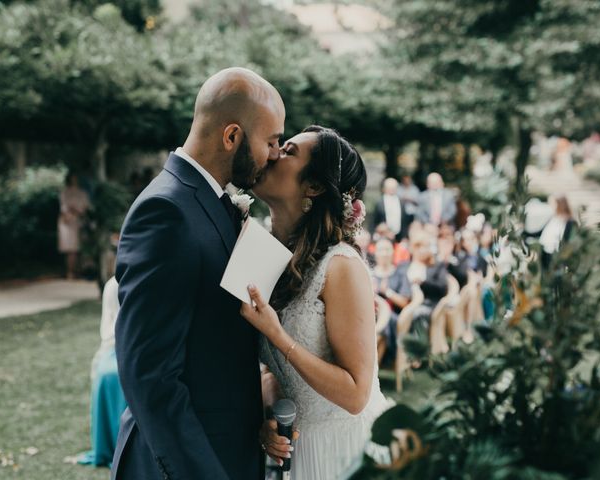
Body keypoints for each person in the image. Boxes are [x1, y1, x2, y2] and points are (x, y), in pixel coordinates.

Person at [112, 67, 285, 480]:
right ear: (231, 137)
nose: (275, 154)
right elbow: (150, 376)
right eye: (271, 141)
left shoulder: (210, 201)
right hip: (188, 462)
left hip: (228, 448)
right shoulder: (166, 212)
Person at [242, 126, 391, 479]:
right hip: (302, 448)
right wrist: (270, 415)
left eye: (289, 151)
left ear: (314, 186)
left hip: (346, 449)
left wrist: (279, 336)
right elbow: (270, 368)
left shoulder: (340, 266)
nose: (275, 153)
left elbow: (356, 394)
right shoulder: (261, 255)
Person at [77, 276, 127, 467]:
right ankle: (110, 445)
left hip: (141, 346)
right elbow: (108, 328)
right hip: (114, 347)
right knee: (108, 374)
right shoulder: (113, 285)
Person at [371, 237, 412, 366]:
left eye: (387, 249)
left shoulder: (399, 274)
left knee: (384, 325)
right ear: (375, 253)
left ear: (393, 252)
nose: (384, 253)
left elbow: (405, 302)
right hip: (371, 315)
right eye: (381, 250)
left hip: (393, 318)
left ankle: (372, 368)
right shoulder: (369, 274)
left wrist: (387, 291)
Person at [58, 172, 90, 279]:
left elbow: (85, 207)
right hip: (68, 221)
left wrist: (77, 211)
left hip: (79, 221)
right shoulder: (65, 192)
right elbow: (64, 207)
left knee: (78, 249)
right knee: (70, 249)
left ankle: (77, 271)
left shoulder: (82, 193)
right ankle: (70, 272)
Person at [539, 195, 576, 269]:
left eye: (553, 204)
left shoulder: (570, 221)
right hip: (546, 251)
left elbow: (566, 240)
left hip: (556, 256)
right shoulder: (553, 218)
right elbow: (540, 232)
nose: (551, 206)